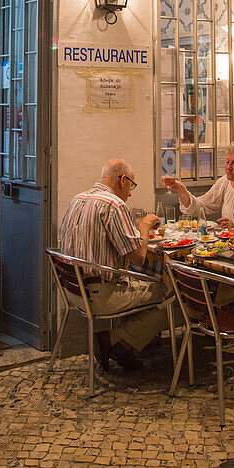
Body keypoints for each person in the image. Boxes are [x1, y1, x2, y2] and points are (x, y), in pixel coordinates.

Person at [59, 158, 168, 372]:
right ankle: (114, 341)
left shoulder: (78, 198)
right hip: (99, 296)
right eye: (131, 186)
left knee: (139, 282)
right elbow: (138, 257)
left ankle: (125, 346)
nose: (130, 193)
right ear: (123, 180)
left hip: (73, 290)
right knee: (171, 295)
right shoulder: (113, 204)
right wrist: (144, 225)